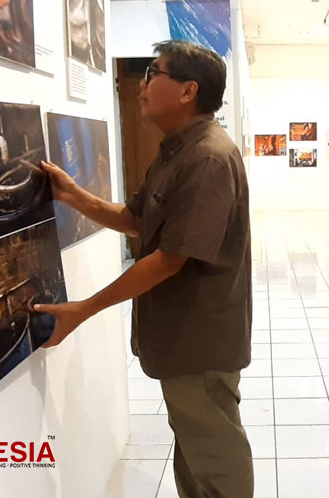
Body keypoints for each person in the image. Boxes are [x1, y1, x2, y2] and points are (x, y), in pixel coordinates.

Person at [36, 39, 253, 497]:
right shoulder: (176, 150)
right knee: (195, 447)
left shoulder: (208, 157)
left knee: (214, 454)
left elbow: (169, 260)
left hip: (200, 340)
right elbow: (137, 220)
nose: (142, 85)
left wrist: (85, 308)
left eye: (155, 73)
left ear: (188, 90)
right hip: (180, 336)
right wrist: (75, 195)